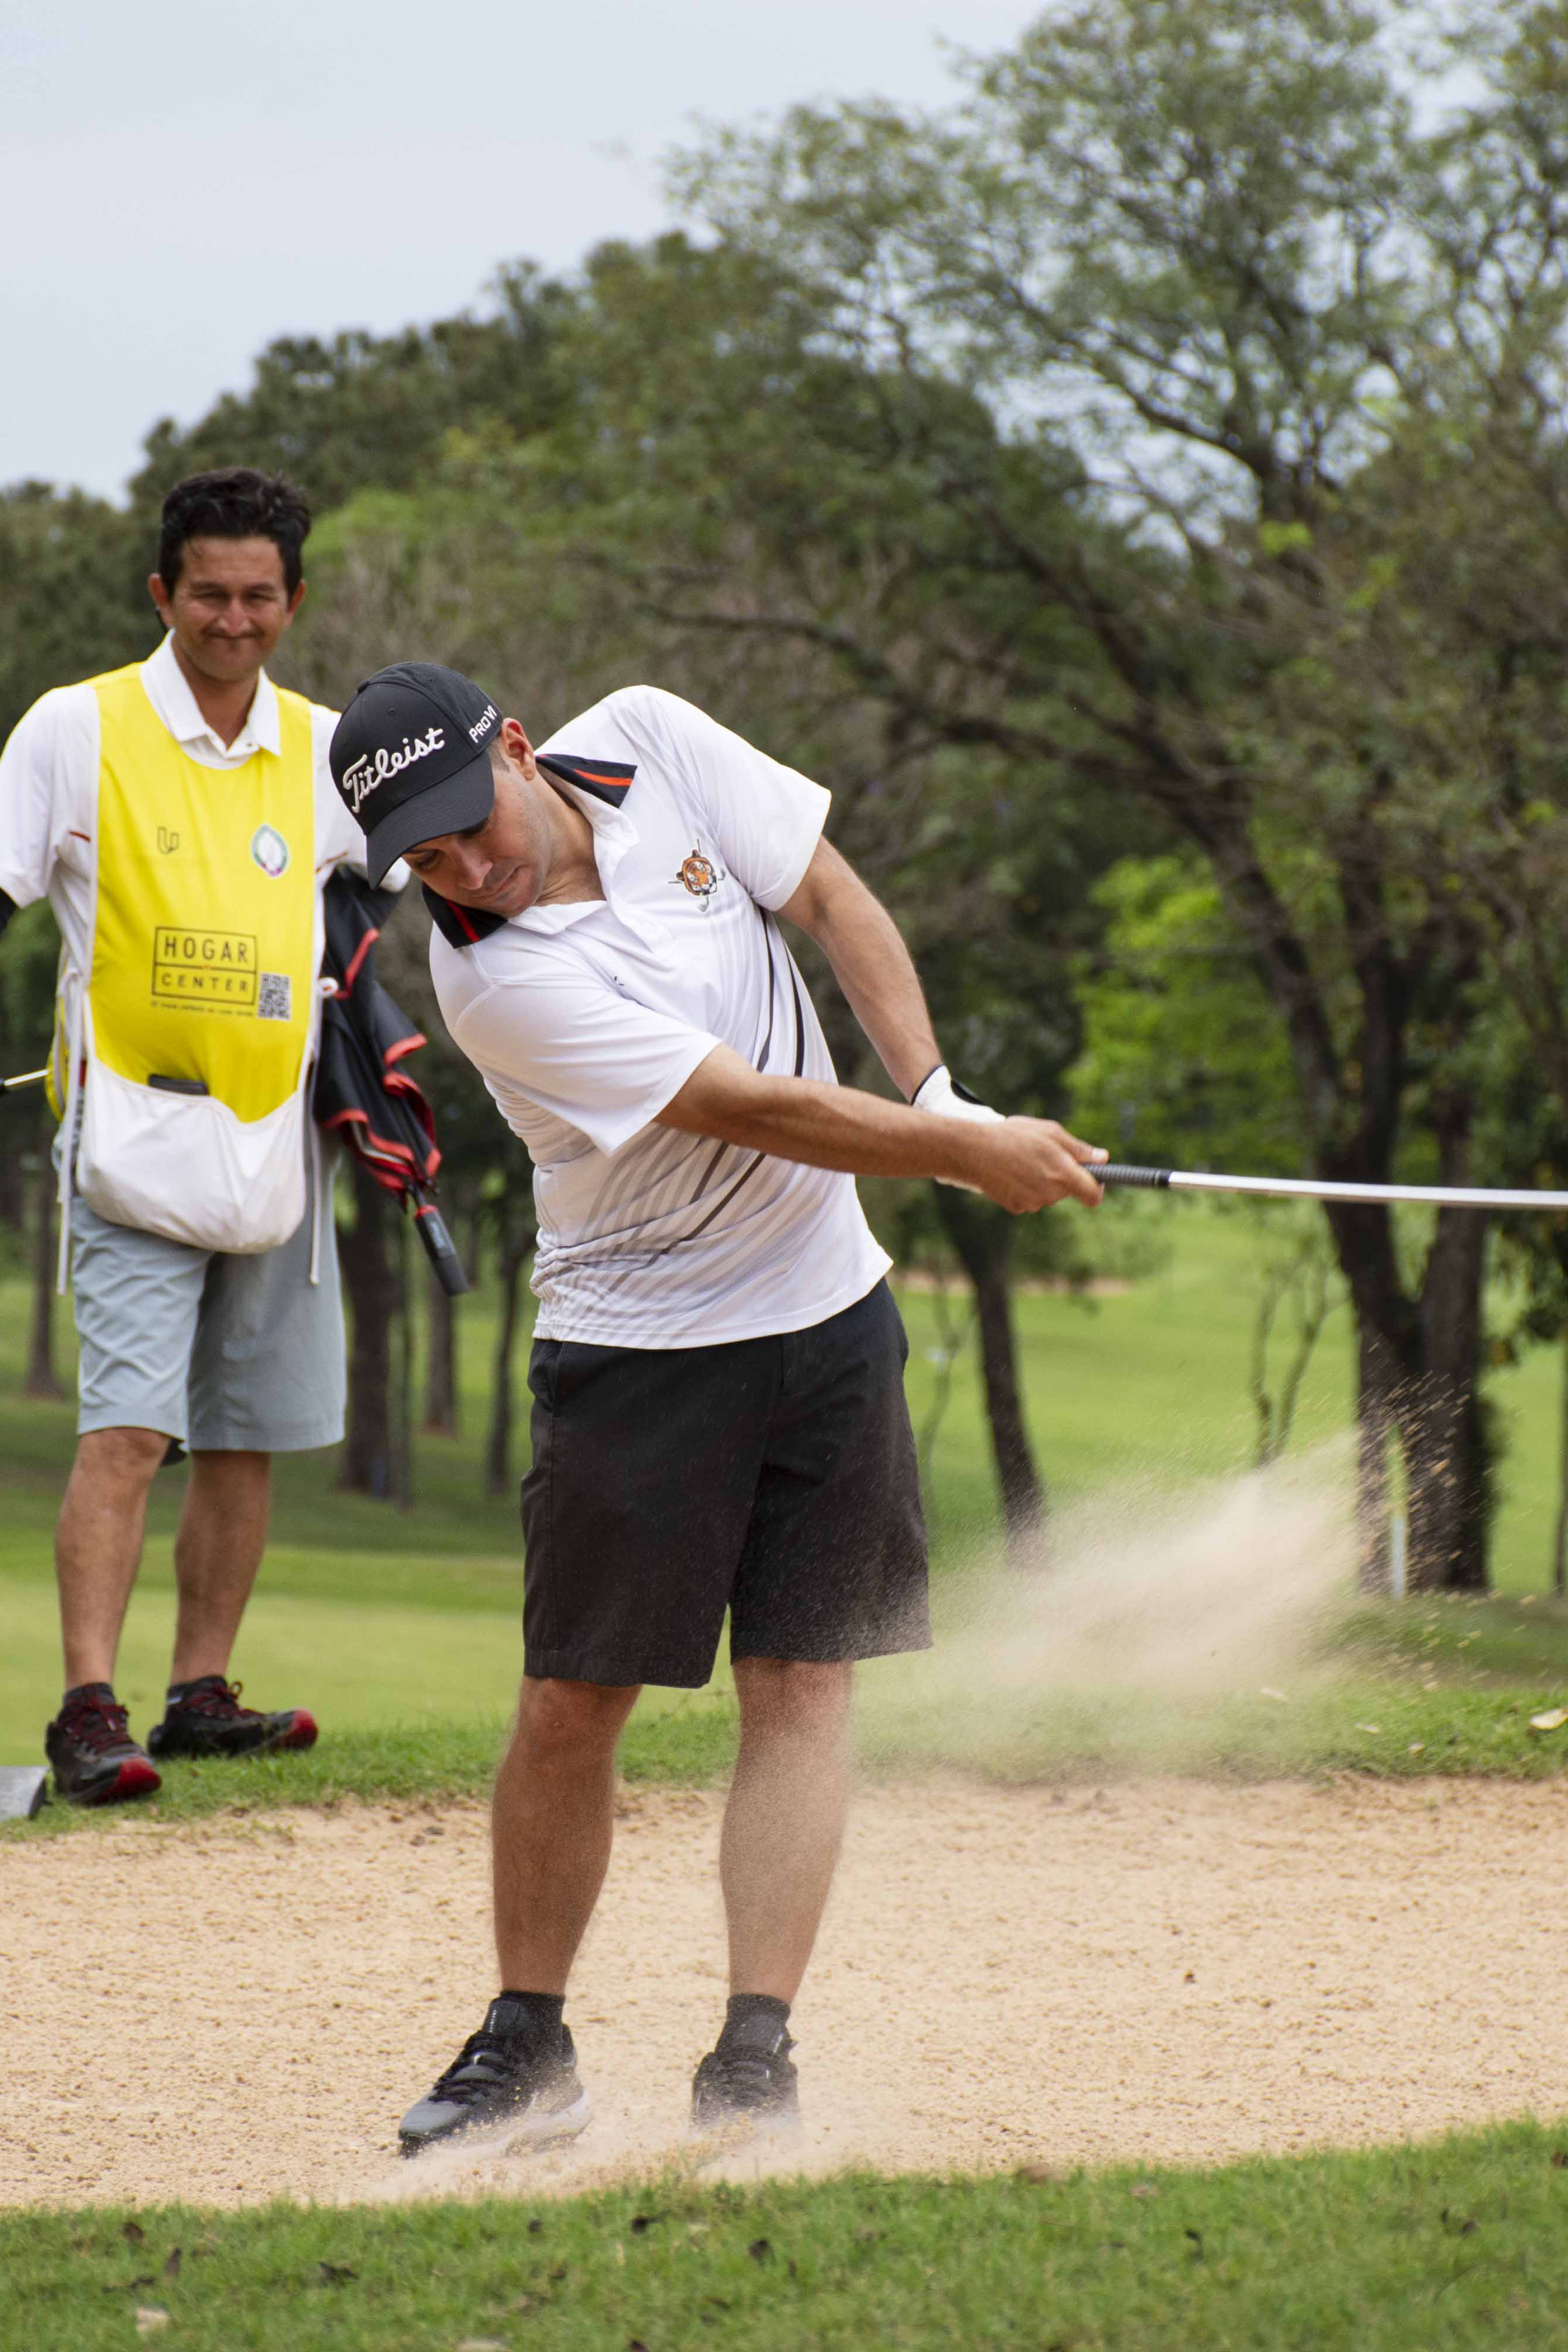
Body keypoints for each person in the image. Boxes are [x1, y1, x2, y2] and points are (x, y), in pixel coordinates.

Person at [324, 662, 1108, 2156]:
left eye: (466, 822)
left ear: (513, 743)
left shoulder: (647, 737)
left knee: (805, 1684)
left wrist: (942, 1099)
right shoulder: (492, 981)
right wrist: (967, 1160)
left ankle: (756, 2050)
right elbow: (748, 1103)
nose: (462, 868)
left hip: (828, 1313)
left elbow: (830, 896)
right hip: (643, 1345)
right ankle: (528, 2042)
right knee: (573, 1703)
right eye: (421, 858)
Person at [0, 468, 365, 1805]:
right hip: (131, 1134)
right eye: (209, 592)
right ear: (164, 592)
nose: (234, 617)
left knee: (247, 1432)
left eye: (261, 595)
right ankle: (90, 1708)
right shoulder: (76, 727)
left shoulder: (322, 748)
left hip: (278, 1138)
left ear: (293, 601)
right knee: (131, 1429)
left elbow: (375, 898)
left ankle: (200, 1693)